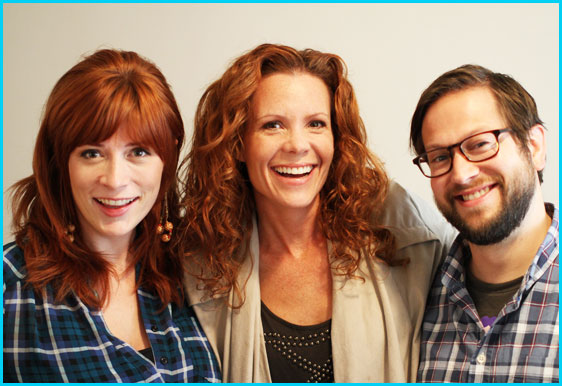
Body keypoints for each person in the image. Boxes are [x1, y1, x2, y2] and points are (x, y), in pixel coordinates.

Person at [177, 43, 457, 382]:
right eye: (272, 125)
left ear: (337, 138)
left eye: (316, 123)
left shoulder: (400, 231)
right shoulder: (198, 259)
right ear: (238, 143)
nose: (297, 145)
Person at [3, 49, 220, 382]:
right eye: (92, 153)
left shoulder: (194, 271)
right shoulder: (12, 286)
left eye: (138, 152)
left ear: (168, 156)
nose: (115, 179)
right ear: (60, 161)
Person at [410, 64, 558, 382]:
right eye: (439, 157)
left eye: (479, 144)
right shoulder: (418, 294)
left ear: (534, 146)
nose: (461, 174)